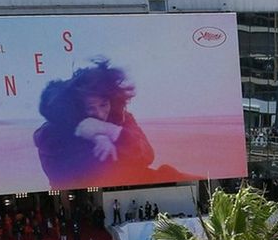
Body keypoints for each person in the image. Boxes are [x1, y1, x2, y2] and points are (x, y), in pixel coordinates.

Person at [33, 58, 186, 190]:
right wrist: (92, 135)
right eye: (90, 108)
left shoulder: (122, 118)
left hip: (145, 184)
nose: (99, 114)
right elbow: (69, 176)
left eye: (103, 105)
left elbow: (147, 155)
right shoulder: (51, 135)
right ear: (78, 106)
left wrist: (110, 131)